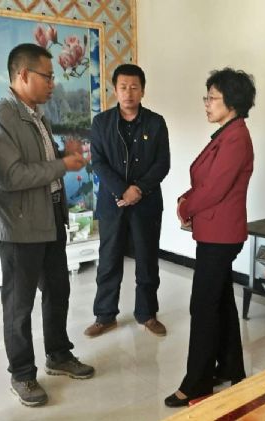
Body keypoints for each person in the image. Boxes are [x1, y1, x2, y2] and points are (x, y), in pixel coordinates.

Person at [0, 43, 94, 407]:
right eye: (47, 76)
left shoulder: (39, 116)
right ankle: (22, 374)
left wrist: (63, 156)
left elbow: (39, 161)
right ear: (23, 74)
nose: (52, 83)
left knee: (58, 291)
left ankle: (58, 355)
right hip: (19, 226)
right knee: (19, 305)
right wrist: (63, 166)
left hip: (51, 216)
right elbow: (10, 176)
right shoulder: (0, 116)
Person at [165, 68, 256, 407]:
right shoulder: (227, 133)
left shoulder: (235, 138)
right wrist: (188, 198)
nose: (206, 103)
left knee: (203, 306)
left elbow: (215, 189)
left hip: (221, 235)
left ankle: (198, 382)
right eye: (207, 97)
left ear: (232, 102)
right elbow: (207, 182)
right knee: (220, 302)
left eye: (212, 98)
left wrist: (186, 207)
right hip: (216, 231)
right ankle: (231, 367)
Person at [84, 64, 170, 338]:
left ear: (142, 90)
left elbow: (162, 163)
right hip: (113, 203)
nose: (128, 93)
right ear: (115, 90)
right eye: (123, 87)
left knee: (147, 261)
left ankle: (147, 314)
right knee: (108, 260)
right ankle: (105, 316)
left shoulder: (156, 123)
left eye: (134, 87)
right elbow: (98, 162)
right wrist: (123, 191)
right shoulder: (102, 123)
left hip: (147, 203)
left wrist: (139, 190)